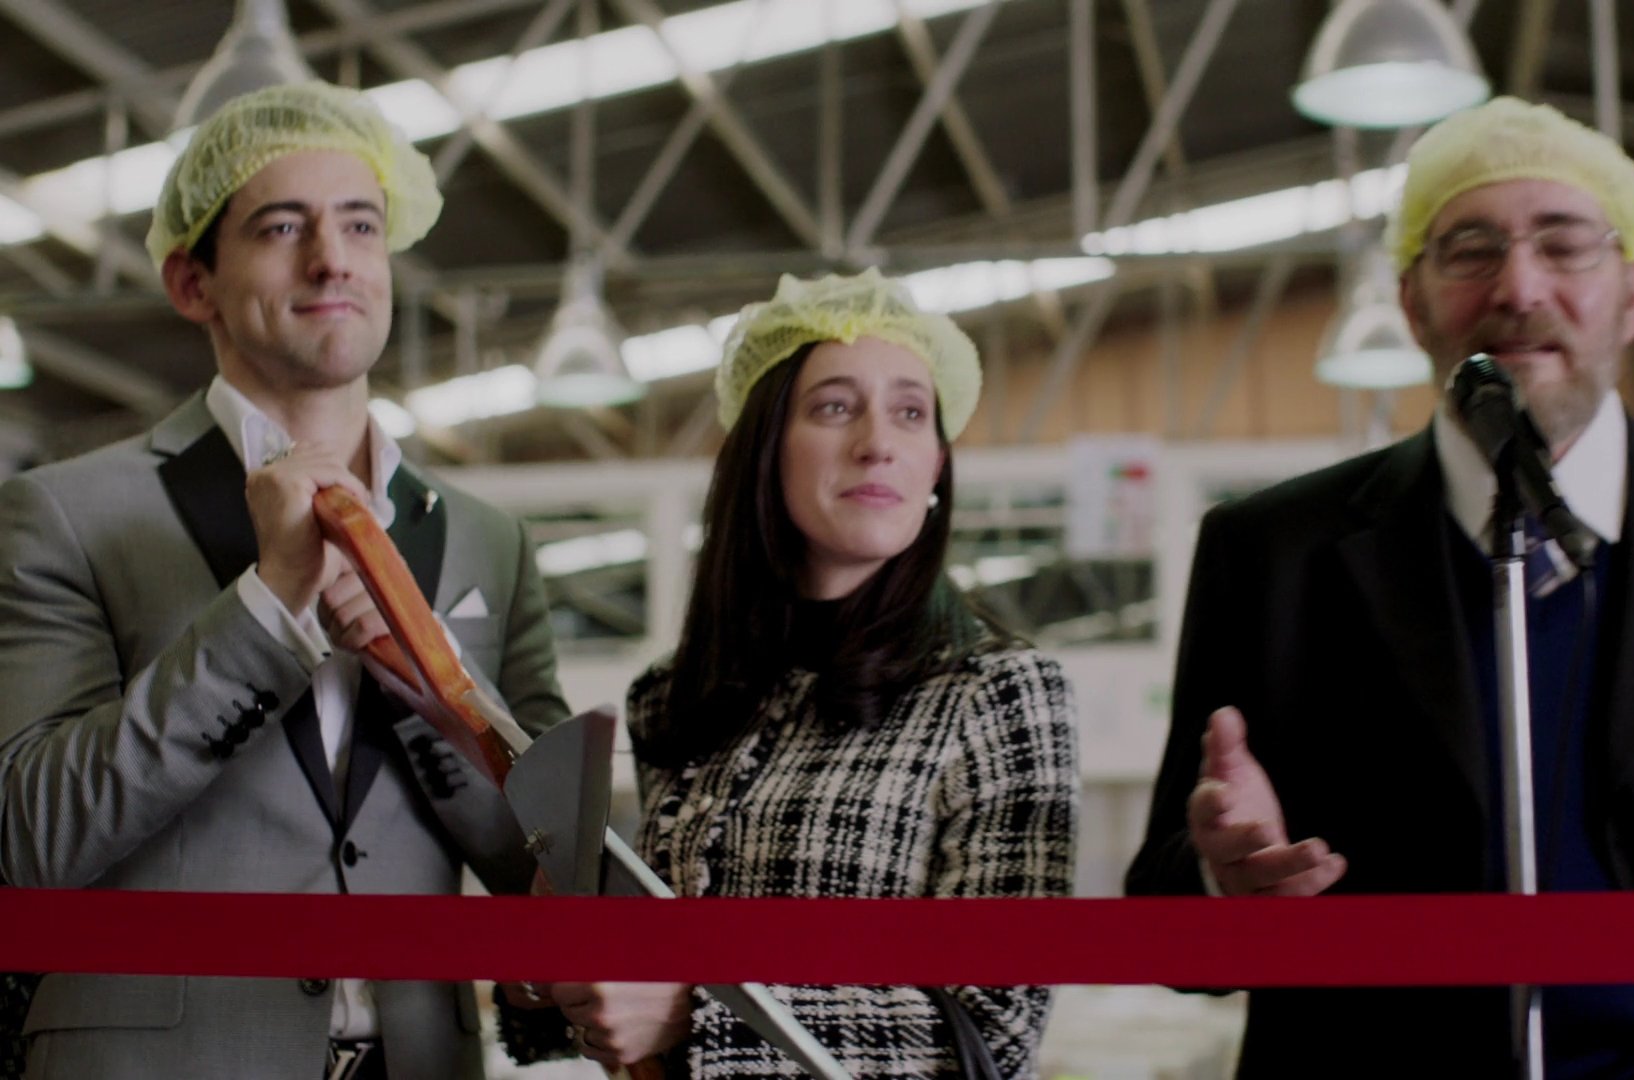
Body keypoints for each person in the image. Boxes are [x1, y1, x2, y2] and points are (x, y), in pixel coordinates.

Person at [1126, 96, 1634, 1077]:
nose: (1519, 287)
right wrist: (1225, 882)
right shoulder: (1273, 556)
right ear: (1413, 303)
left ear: (1633, 293)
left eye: (1564, 246)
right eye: (1471, 250)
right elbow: (1168, 924)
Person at [0, 81, 569, 1080]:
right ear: (193, 284)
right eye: (281, 226)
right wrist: (265, 608)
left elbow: (552, 865)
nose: (332, 257)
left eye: (361, 224)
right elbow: (30, 838)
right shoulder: (65, 515)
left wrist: (430, 679)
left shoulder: (488, 540)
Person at [499, 269, 1080, 1078]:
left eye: (911, 412)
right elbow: (633, 1003)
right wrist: (544, 973)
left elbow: (1000, 1027)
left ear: (937, 467)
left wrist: (697, 1009)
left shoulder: (1001, 692)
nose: (878, 441)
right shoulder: (674, 697)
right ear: (765, 451)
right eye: (835, 407)